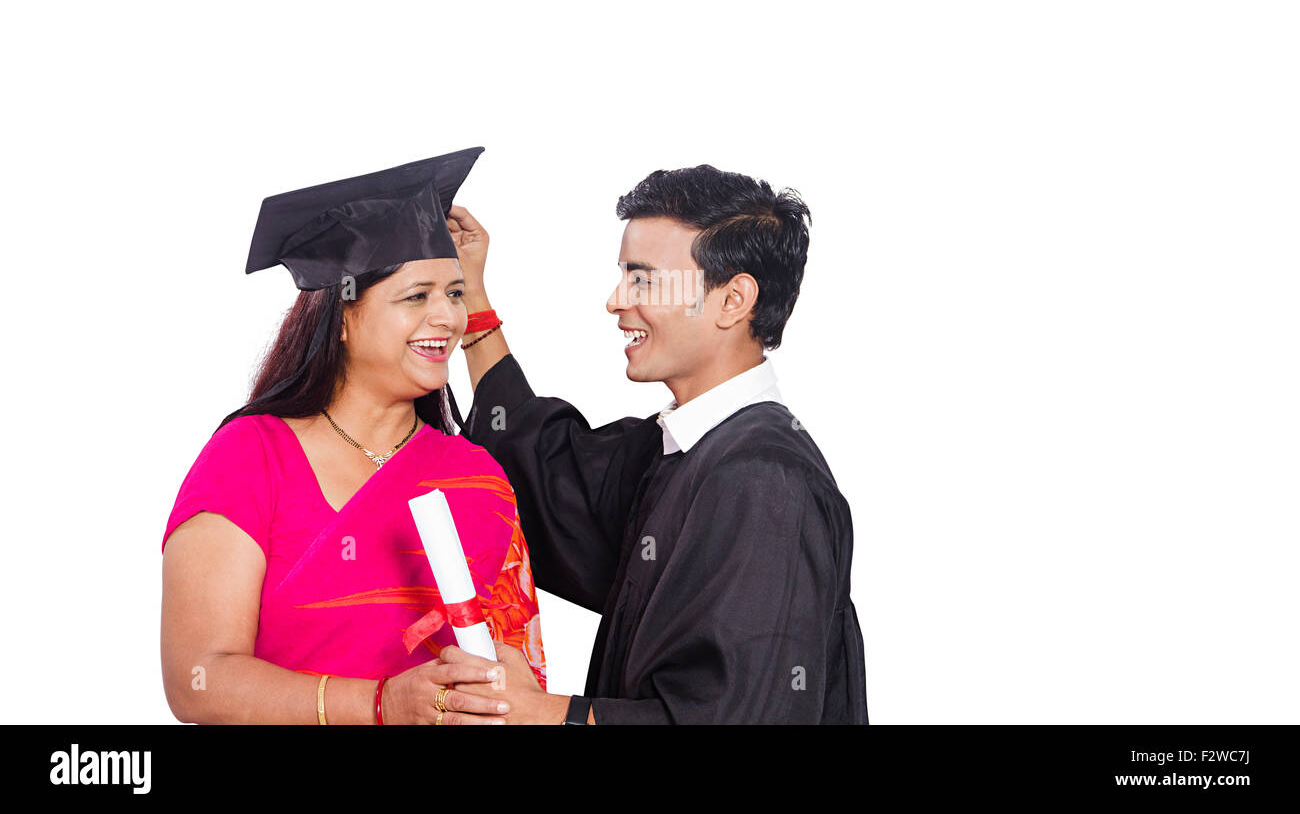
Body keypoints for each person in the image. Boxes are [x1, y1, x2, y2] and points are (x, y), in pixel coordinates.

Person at [441, 164, 869, 724]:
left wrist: (540, 715)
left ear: (733, 299)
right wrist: (472, 300)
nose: (616, 301)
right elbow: (551, 475)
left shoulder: (766, 482)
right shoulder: (682, 449)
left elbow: (729, 716)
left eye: (643, 279)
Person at [161, 147, 545, 725]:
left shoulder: (476, 476)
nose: (446, 317)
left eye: (455, 292)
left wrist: (505, 688)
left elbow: (518, 668)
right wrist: (379, 704)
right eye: (417, 296)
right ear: (342, 316)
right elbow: (199, 680)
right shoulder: (251, 458)